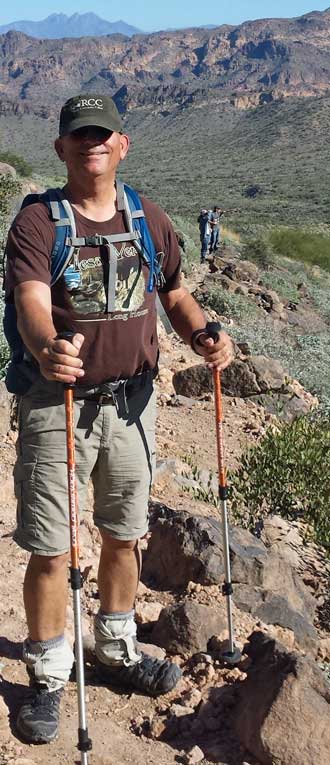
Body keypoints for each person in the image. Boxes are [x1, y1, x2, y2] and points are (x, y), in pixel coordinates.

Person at [4, 93, 234, 745]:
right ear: (61, 149)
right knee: (53, 546)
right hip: (60, 405)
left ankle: (115, 648)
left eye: (102, 134)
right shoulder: (38, 225)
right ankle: (48, 675)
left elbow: (176, 293)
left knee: (124, 535)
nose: (91, 144)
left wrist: (202, 334)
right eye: (79, 135)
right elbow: (30, 301)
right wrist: (48, 348)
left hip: (133, 404)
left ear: (122, 144)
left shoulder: (148, 219)